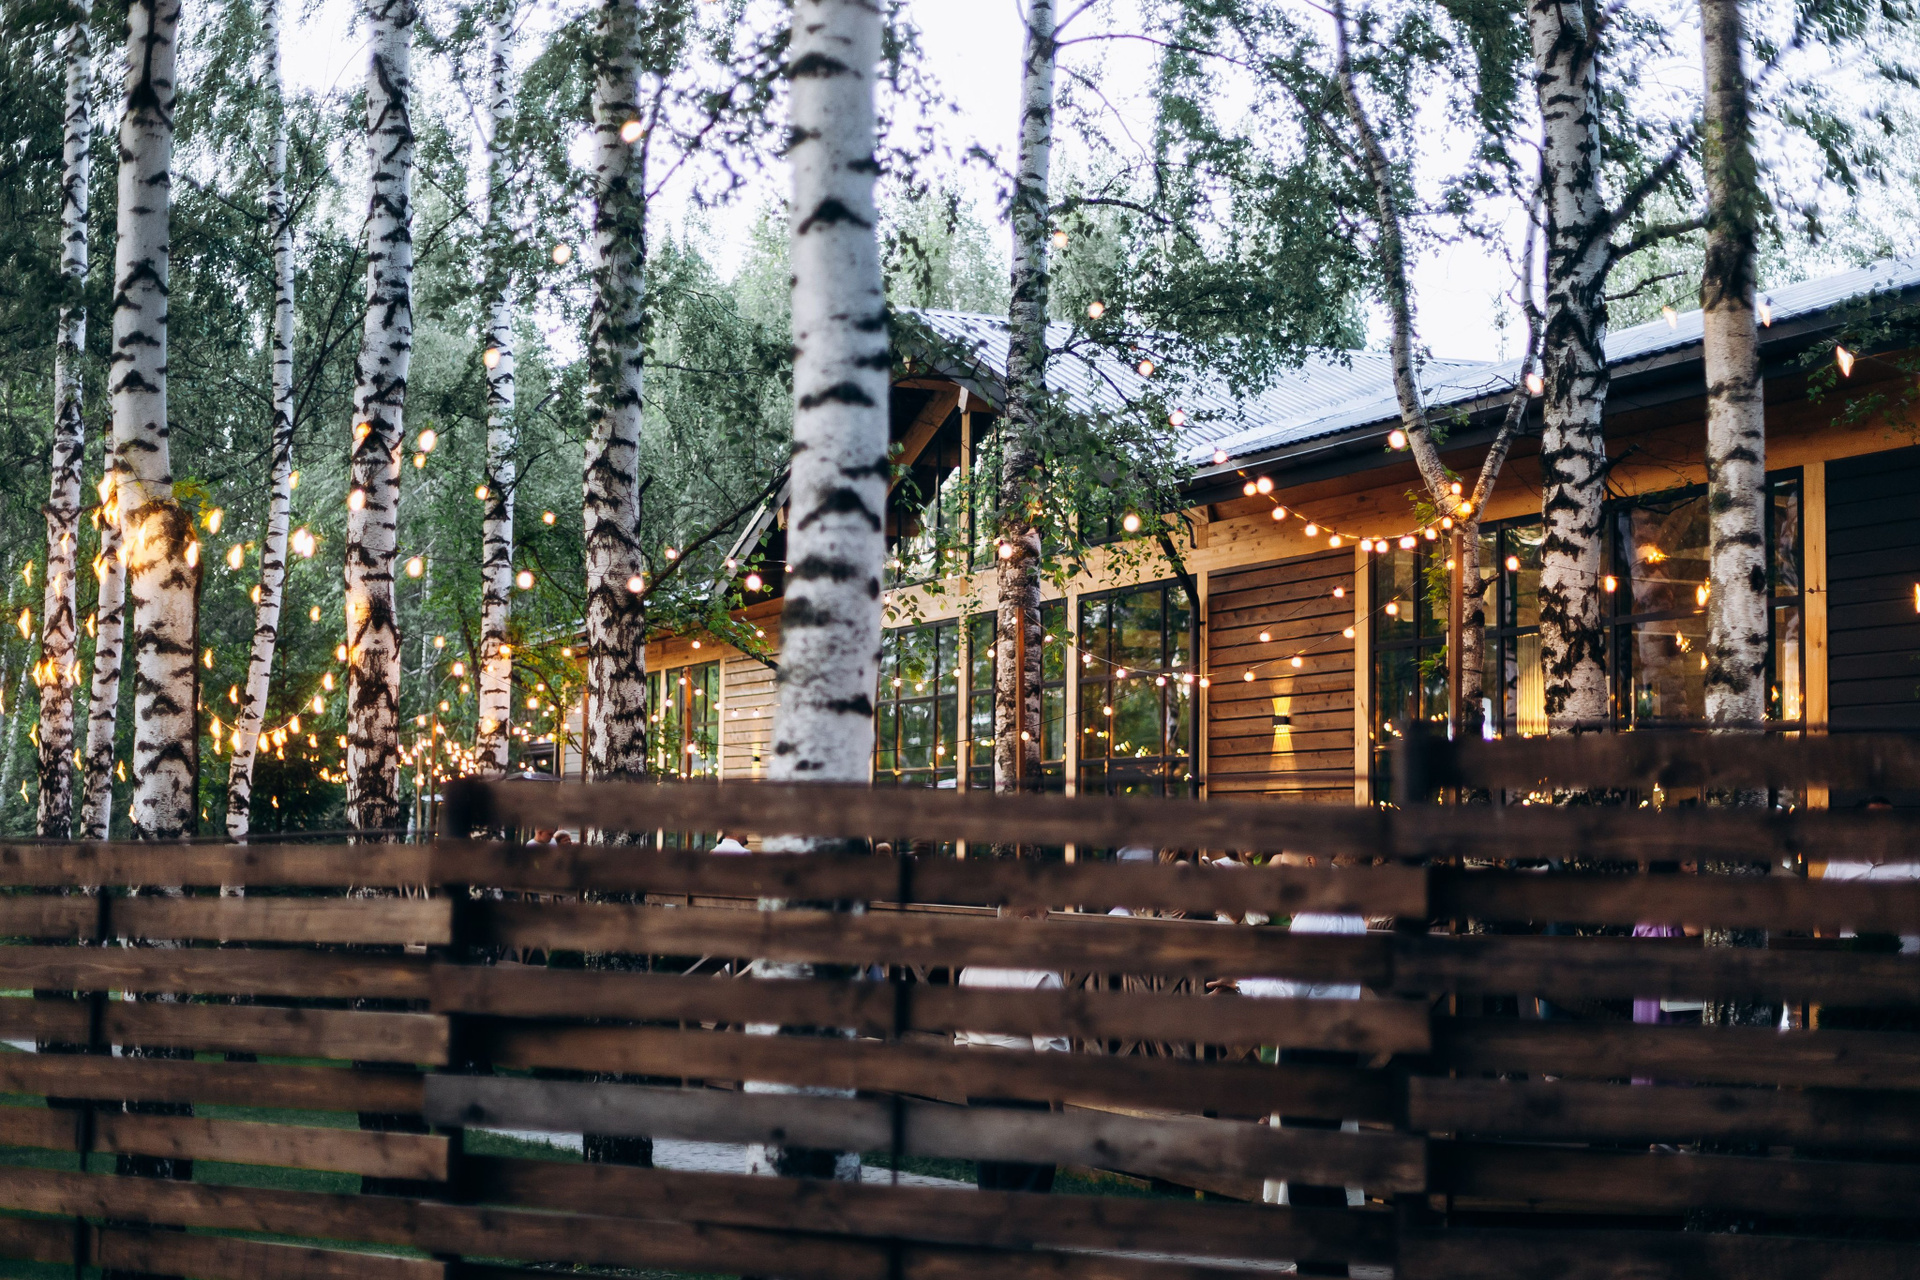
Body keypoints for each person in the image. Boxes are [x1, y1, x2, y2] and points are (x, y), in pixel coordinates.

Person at [1225, 851, 1367, 1277]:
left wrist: (1242, 985)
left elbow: (1291, 989)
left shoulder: (1314, 916)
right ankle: (1329, 1265)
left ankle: (1318, 1268)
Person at [955, 906, 1069, 1193]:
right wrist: (1056, 1106)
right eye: (1046, 916)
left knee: (991, 1184)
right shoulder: (1038, 973)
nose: (1049, 920)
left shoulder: (974, 967)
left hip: (980, 1088)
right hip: (1022, 1092)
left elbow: (961, 1038)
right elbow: (1050, 1049)